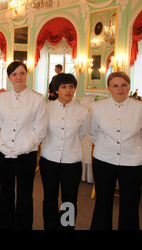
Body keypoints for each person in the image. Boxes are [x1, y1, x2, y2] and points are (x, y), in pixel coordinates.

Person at [0, 61, 47, 230]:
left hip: (27, 154)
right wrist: (2, 146)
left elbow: (40, 128)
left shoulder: (37, 99)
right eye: (14, 74)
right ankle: (5, 226)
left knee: (25, 193)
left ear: (27, 75)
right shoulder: (1, 98)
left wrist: (23, 148)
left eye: (22, 73)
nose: (18, 77)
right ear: (9, 78)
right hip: (4, 152)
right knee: (6, 192)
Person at [89, 72, 142, 230]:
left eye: (124, 85)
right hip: (104, 159)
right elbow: (93, 132)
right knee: (103, 201)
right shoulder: (97, 107)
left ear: (129, 87)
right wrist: (107, 146)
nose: (120, 88)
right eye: (115, 85)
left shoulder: (141, 108)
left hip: (133, 161)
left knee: (131, 203)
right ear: (109, 88)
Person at [39, 73, 90, 230]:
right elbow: (40, 131)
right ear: (56, 89)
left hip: (72, 161)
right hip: (49, 159)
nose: (68, 90)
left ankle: (67, 228)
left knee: (69, 200)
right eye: (64, 87)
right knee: (50, 198)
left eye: (71, 86)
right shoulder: (46, 108)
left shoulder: (83, 111)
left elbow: (82, 134)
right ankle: (50, 226)